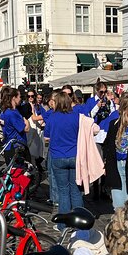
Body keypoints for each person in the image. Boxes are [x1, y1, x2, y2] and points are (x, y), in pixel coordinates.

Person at [44, 92, 83, 230]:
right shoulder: (76, 117)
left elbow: (46, 137)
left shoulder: (52, 118)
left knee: (63, 192)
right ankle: (79, 223)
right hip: (74, 155)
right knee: (76, 191)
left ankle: (63, 225)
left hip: (58, 156)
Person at [0, 87, 30, 163]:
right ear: (13, 98)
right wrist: (26, 120)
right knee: (22, 172)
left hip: (9, 146)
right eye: (19, 97)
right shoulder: (12, 113)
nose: (20, 99)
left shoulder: (4, 112)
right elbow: (26, 129)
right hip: (17, 146)